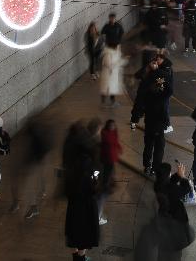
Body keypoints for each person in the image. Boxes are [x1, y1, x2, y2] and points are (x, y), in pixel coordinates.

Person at [131, 57, 174, 176]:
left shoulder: (145, 82)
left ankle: (147, 165)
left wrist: (134, 119)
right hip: (160, 119)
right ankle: (155, 168)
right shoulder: (162, 84)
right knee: (159, 145)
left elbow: (139, 101)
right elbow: (170, 91)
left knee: (148, 143)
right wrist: (162, 77)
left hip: (149, 118)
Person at [64, 124, 101, 260]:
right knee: (83, 236)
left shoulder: (71, 162)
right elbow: (91, 188)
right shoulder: (88, 164)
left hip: (74, 204)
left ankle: (77, 257)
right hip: (85, 206)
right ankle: (81, 258)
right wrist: (95, 181)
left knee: (74, 235)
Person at [98, 120, 122, 226]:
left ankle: (110, 182)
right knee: (109, 172)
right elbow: (108, 144)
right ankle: (108, 184)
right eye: (111, 125)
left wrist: (119, 148)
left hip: (112, 158)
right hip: (107, 158)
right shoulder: (105, 134)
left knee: (111, 171)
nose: (113, 127)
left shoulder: (113, 132)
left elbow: (116, 142)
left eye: (114, 125)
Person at [98, 42, 125, 107]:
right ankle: (106, 102)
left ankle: (110, 102)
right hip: (108, 75)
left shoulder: (114, 53)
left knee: (110, 88)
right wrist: (120, 62)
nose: (119, 48)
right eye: (118, 47)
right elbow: (108, 64)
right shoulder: (108, 53)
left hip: (112, 75)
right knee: (107, 88)